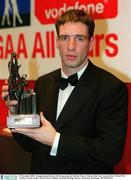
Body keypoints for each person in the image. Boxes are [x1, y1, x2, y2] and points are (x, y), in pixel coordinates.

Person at [1, 9, 128, 174]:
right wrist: (16, 114)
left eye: (79, 38)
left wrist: (56, 140)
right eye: (64, 38)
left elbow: (110, 152)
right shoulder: (42, 83)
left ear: (91, 43)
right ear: (56, 42)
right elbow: (33, 145)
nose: (70, 46)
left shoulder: (112, 88)